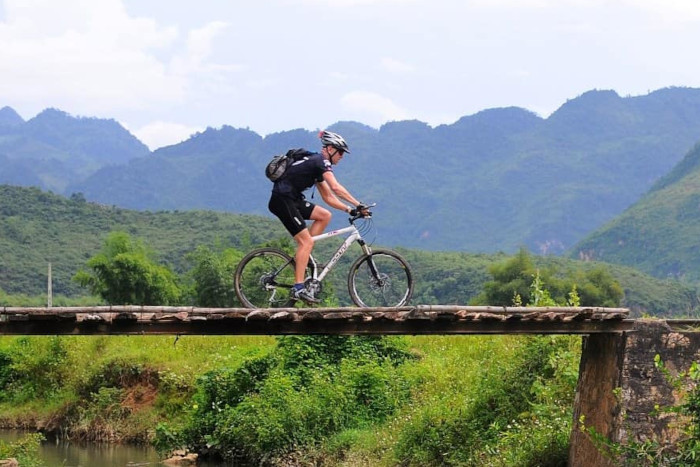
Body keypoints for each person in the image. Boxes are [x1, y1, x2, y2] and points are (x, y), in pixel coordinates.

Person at [268, 130, 367, 303]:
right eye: (341, 152)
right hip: (283, 200)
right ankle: (298, 288)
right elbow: (336, 188)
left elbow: (328, 197)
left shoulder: (316, 165)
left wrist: (349, 210)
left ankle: (304, 255)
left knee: (324, 215)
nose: (342, 156)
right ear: (330, 149)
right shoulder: (320, 161)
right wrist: (358, 204)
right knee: (306, 241)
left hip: (292, 199)